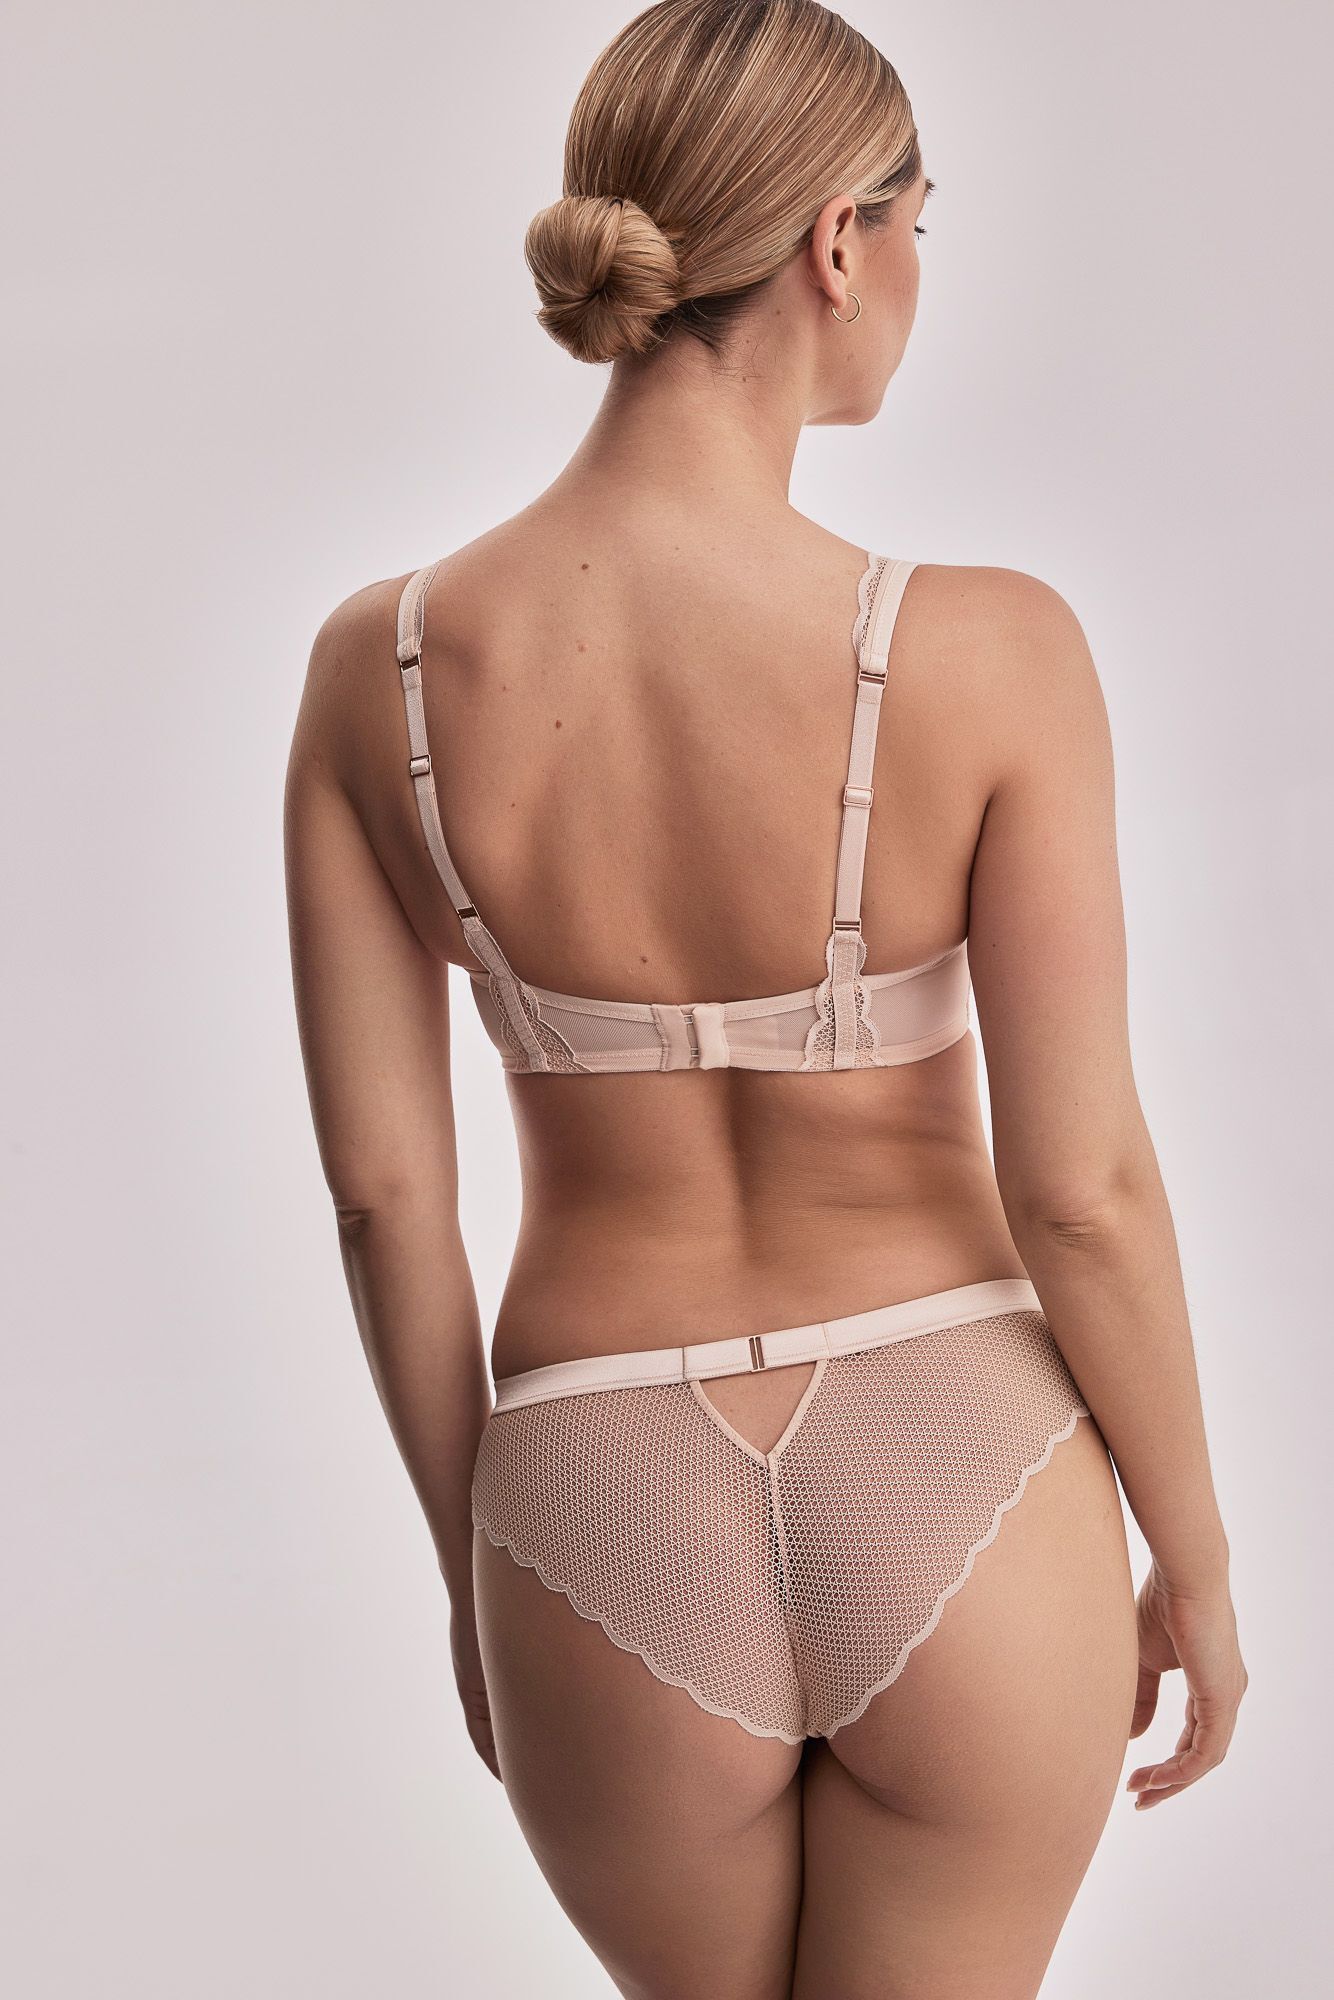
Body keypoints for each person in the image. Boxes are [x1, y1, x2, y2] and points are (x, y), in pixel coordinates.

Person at [283, 3, 1246, 1992]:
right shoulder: (988, 652)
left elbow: (384, 1200)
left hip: (592, 1479)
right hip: (952, 1451)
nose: (917, 271)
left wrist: (481, 1571)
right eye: (919, 223)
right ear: (835, 242)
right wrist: (1198, 1557)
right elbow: (1079, 1191)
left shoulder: (378, 674)